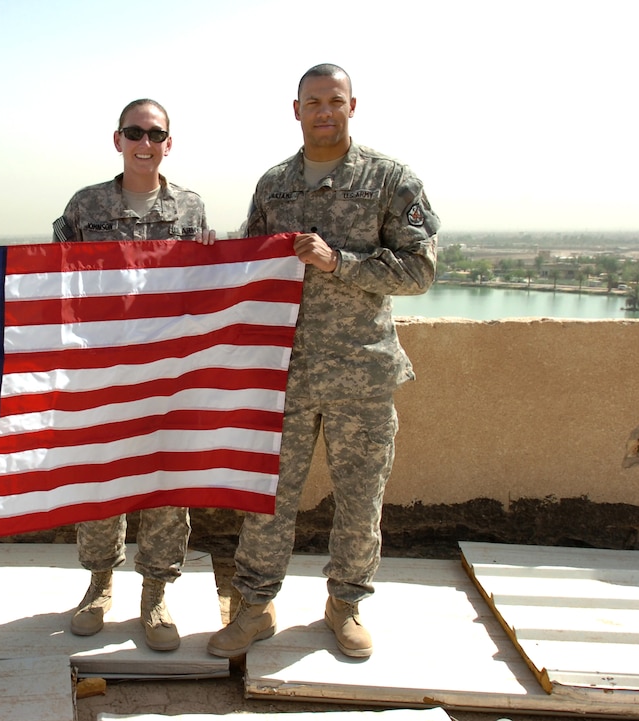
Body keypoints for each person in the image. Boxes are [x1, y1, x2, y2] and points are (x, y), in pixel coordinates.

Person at [206, 64, 438, 660]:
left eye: (335, 101)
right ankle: (254, 608)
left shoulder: (390, 180)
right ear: (296, 109)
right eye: (314, 102)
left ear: (352, 106)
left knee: (360, 498)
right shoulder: (275, 186)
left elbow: (420, 271)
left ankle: (345, 605)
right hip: (281, 374)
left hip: (360, 372)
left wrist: (341, 263)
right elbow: (248, 265)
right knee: (267, 497)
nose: (324, 111)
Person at [52, 98, 214, 651]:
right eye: (134, 133)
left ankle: (155, 593)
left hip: (170, 374)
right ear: (117, 139)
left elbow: (210, 283)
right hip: (103, 372)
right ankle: (99, 584)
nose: (145, 143)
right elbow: (55, 281)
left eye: (155, 133)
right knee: (101, 479)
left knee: (167, 483)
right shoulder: (86, 206)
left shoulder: (191, 209)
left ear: (169, 142)